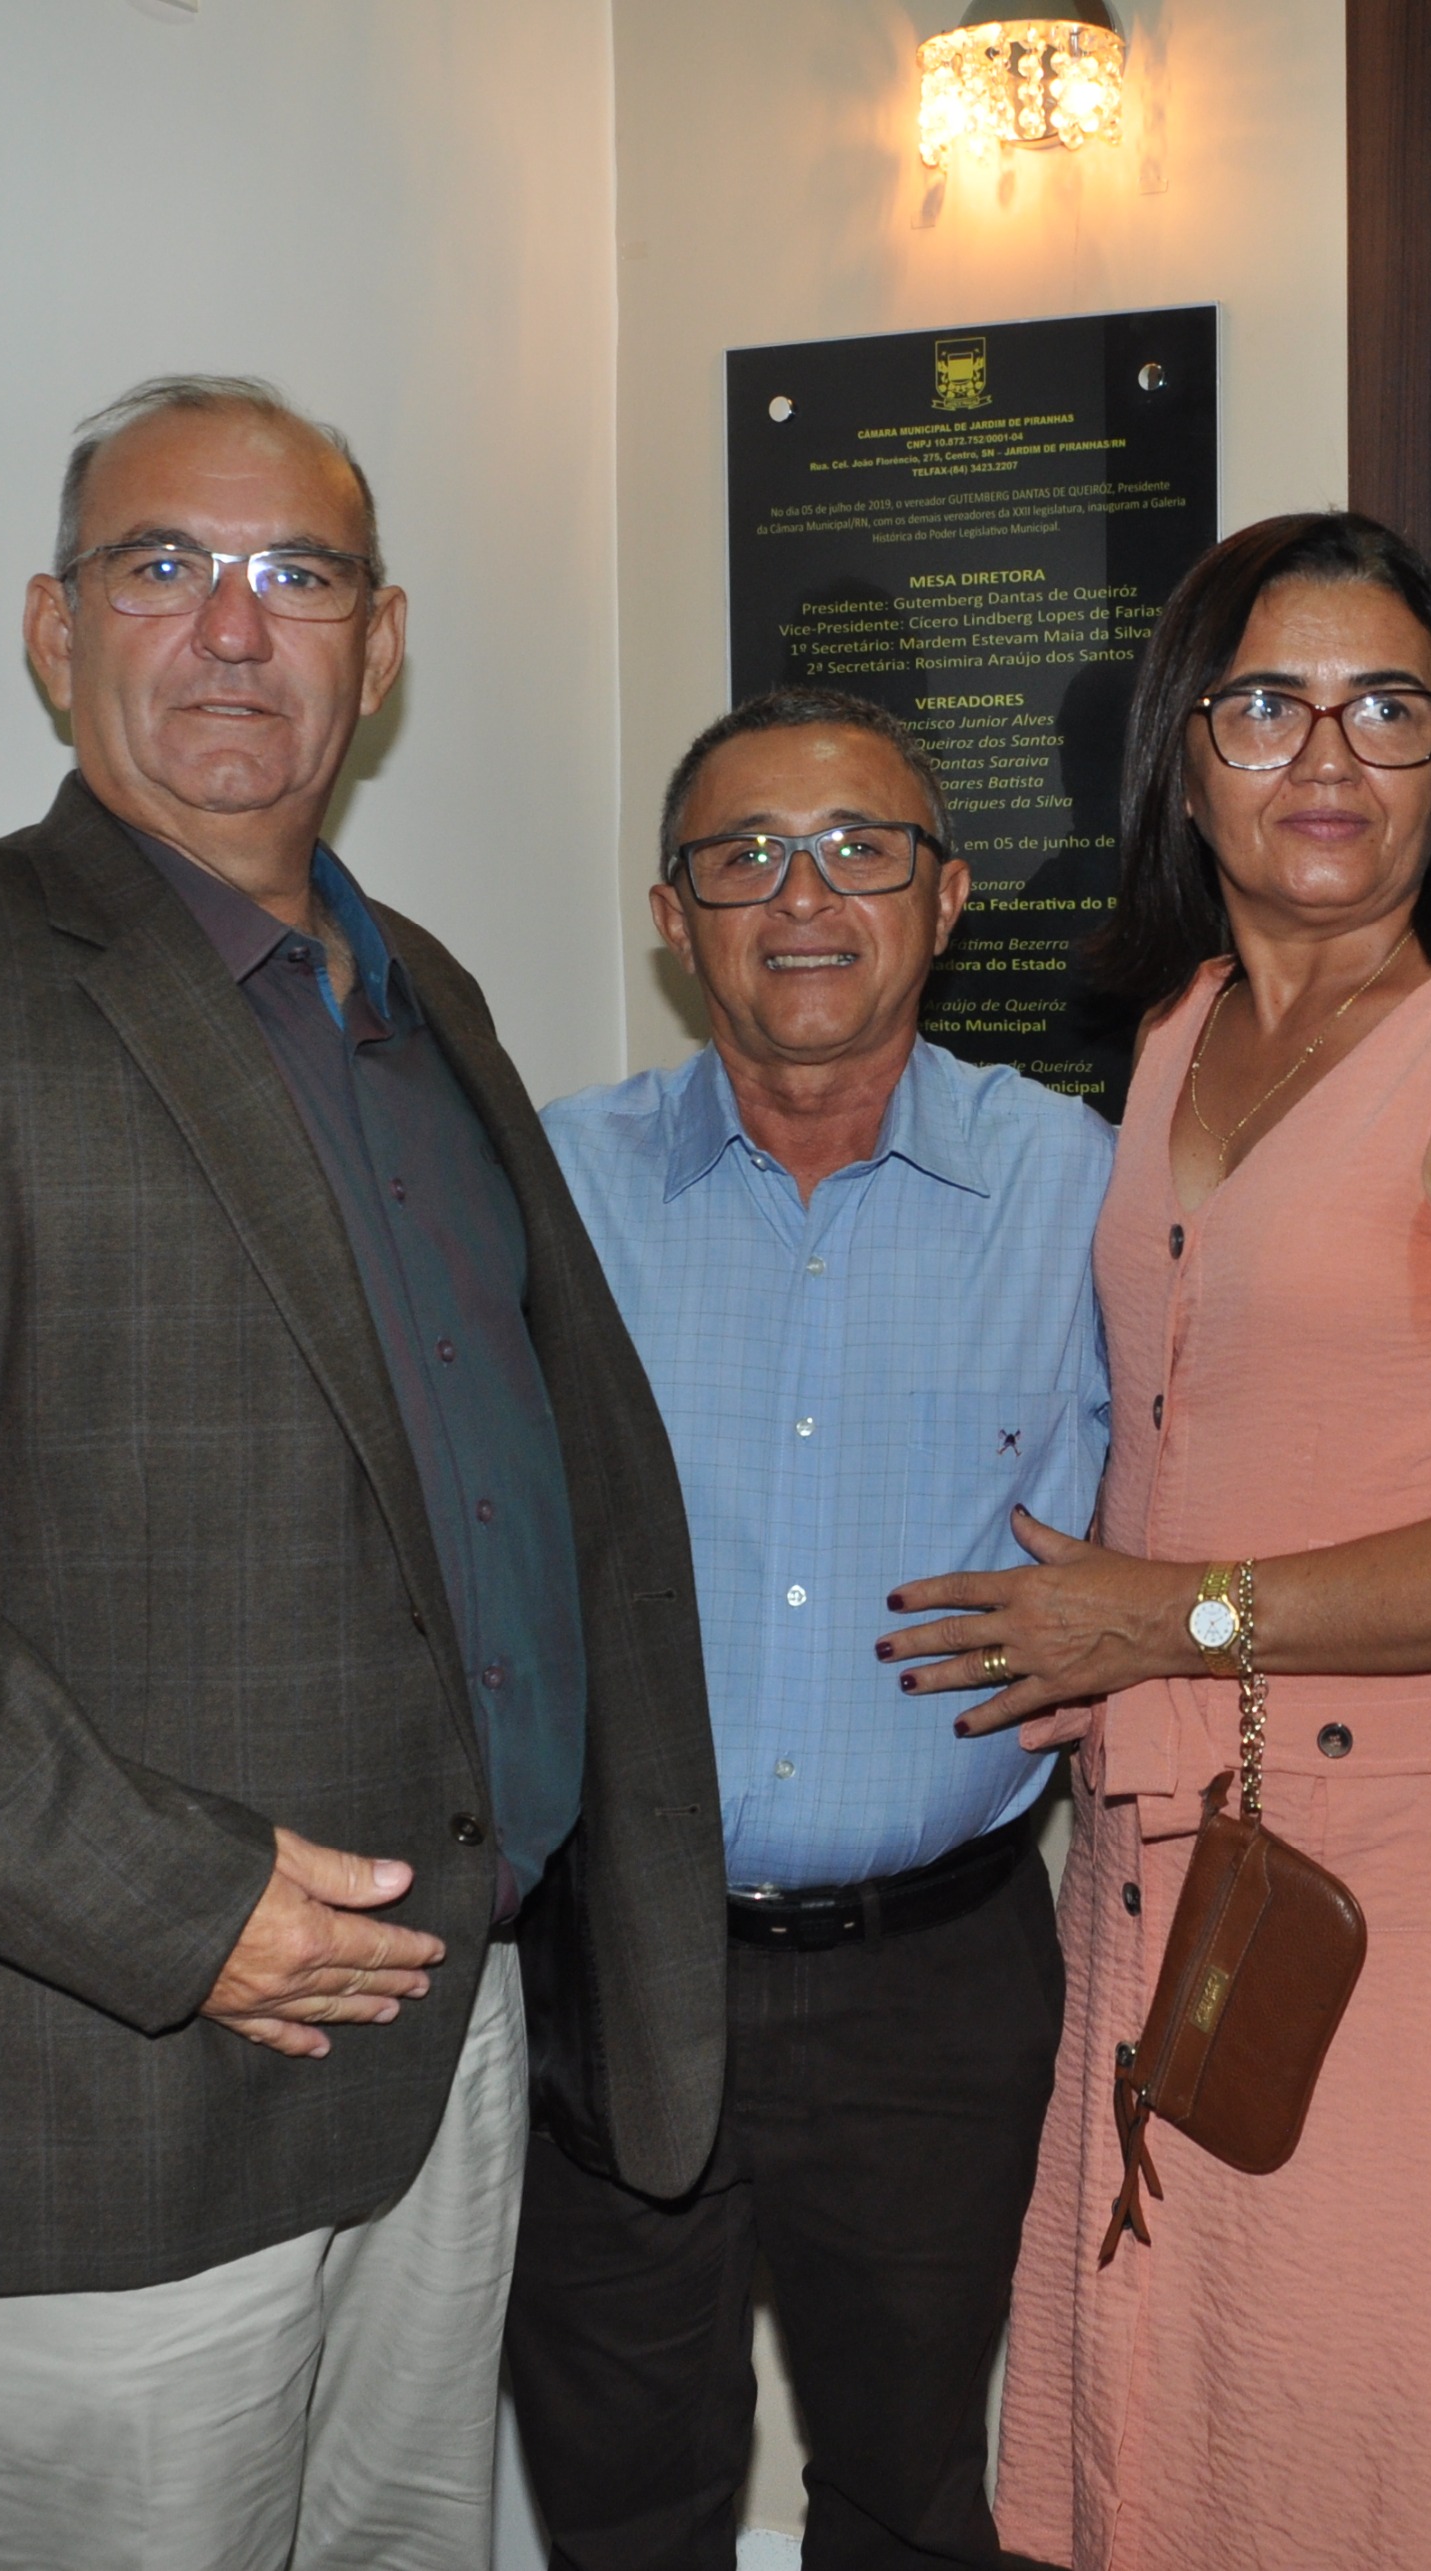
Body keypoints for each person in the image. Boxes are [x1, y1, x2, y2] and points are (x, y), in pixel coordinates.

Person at [0, 374, 725, 2570]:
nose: (233, 625)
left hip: (444, 2038)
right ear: (57, 630)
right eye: (162, 566)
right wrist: (183, 1910)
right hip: (94, 2075)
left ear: (375, 650)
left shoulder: (430, 1002)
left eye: (296, 575)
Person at [886, 512, 1431, 2570]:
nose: (1326, 756)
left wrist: (1170, 1616)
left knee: (1378, 2435)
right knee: (1185, 2413)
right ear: (1184, 757)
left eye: (1385, 707)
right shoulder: (1177, 1034)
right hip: (1167, 1854)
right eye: (1266, 706)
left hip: (1396, 1887)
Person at [505, 688, 1114, 2570]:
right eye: (743, 854)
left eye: (859, 847)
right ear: (670, 917)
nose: (801, 894)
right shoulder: (546, 1188)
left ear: (945, 897)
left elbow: (1214, 1492)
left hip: (937, 1980)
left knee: (914, 2498)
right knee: (623, 2500)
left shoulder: (1084, 1188)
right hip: (618, 1965)